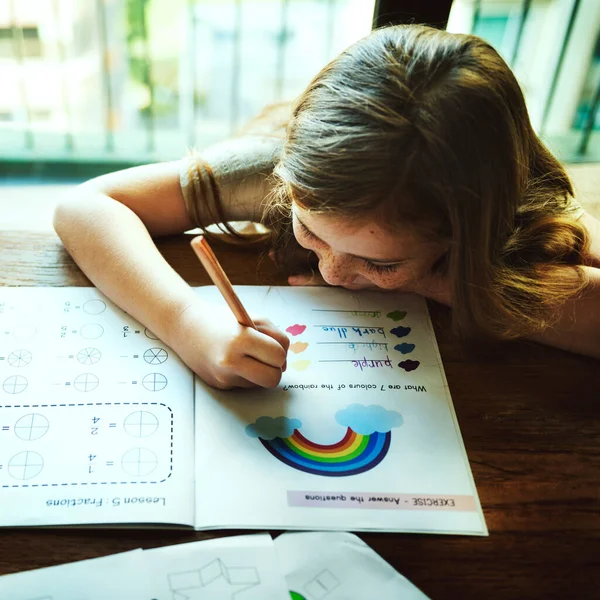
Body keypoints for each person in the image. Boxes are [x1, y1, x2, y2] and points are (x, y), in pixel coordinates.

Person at [53, 25, 600, 390]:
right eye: (311, 231)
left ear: (470, 230)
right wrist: (185, 320)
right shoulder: (276, 169)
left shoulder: (529, 210)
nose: (332, 273)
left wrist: (435, 282)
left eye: (381, 263)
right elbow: (85, 205)